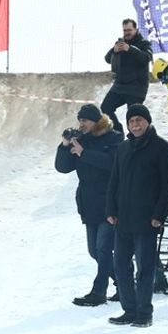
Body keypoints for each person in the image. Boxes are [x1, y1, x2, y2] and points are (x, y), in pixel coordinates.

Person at [105, 104, 168, 328]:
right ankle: (129, 309)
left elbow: (166, 186)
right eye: (131, 121)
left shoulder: (161, 148)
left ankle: (144, 313)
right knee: (121, 265)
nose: (135, 125)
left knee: (145, 268)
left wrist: (159, 214)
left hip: (147, 220)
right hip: (123, 219)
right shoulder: (123, 148)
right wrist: (111, 210)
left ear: (148, 121)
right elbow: (114, 181)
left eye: (139, 120)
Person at [54, 104, 122, 307]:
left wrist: (84, 153)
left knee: (103, 248)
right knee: (94, 250)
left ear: (96, 121)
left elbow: (114, 164)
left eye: (85, 120)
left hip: (109, 202)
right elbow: (63, 168)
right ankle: (124, 281)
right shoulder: (81, 139)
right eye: (79, 120)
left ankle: (98, 291)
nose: (81, 124)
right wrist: (65, 145)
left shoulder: (114, 137)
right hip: (88, 202)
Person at [100, 19, 153, 124]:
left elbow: (146, 58)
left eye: (129, 30)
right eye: (124, 30)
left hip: (137, 87)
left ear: (136, 30)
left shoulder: (144, 43)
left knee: (133, 116)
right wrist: (113, 51)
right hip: (119, 86)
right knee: (105, 108)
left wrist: (130, 49)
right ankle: (118, 134)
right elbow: (107, 59)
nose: (127, 33)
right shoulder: (120, 43)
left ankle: (136, 138)